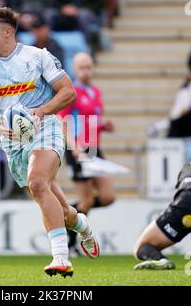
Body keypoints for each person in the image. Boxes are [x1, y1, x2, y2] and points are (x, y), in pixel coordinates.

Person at [0, 7, 100, 277]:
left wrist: (41, 111)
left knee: (38, 182)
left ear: (8, 32)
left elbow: (68, 92)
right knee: (62, 210)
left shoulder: (37, 57)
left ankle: (61, 258)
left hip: (45, 129)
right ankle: (82, 225)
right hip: (13, 143)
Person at [58, 52, 115, 257]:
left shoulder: (95, 91)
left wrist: (103, 126)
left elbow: (90, 121)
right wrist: (74, 146)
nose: (86, 71)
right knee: (87, 202)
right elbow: (63, 121)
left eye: (89, 66)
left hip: (94, 149)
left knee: (108, 196)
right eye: (82, 67)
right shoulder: (71, 91)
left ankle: (66, 213)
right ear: (74, 69)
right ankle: (72, 242)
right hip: (79, 149)